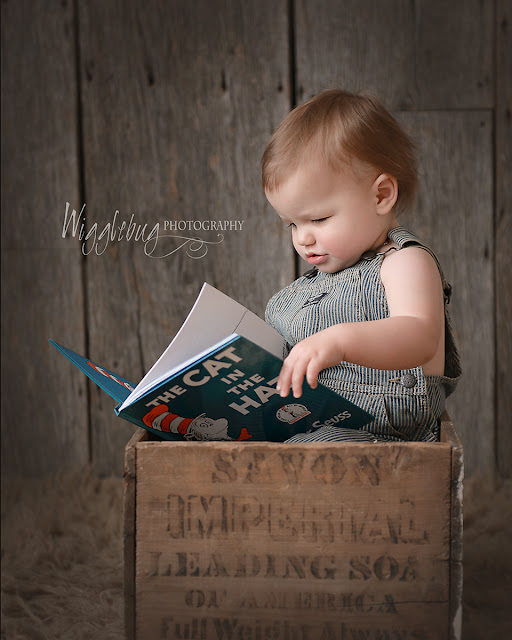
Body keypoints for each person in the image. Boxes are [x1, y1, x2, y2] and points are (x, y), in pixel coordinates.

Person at [262, 89, 461, 443]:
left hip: (379, 432)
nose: (302, 238)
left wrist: (339, 341)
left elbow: (420, 337)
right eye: (292, 224)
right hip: (312, 417)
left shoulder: (404, 262)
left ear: (381, 195)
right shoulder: (316, 286)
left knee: (301, 455)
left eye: (319, 218)